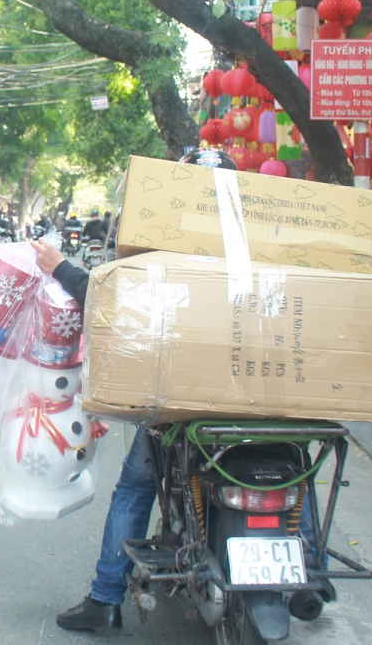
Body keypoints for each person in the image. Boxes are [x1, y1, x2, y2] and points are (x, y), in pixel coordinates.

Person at [44, 147, 240, 632]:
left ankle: (105, 598)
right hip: (264, 401)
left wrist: (59, 268)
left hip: (183, 403)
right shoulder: (256, 247)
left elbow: (112, 300)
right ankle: (311, 556)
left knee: (134, 488)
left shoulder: (169, 249)